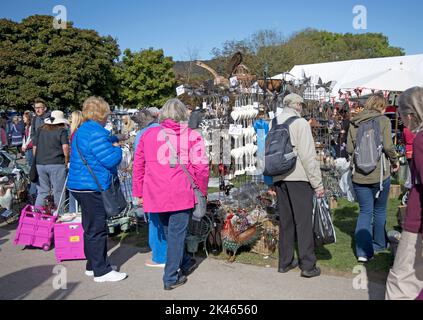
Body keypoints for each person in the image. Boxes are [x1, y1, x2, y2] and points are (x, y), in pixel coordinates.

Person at [133, 98, 209, 290]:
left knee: (169, 232)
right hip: (180, 192)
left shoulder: (148, 135)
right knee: (175, 234)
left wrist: (138, 192)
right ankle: (171, 277)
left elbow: (138, 166)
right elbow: (201, 168)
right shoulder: (191, 135)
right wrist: (202, 190)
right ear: (183, 114)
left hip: (156, 192)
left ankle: (182, 261)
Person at [67, 97, 127, 283]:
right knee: (97, 229)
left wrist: (113, 138)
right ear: (101, 113)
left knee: (90, 227)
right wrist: (118, 148)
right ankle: (102, 271)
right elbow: (111, 159)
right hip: (91, 187)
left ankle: (92, 265)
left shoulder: (83, 130)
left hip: (79, 184)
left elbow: (99, 144)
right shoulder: (96, 132)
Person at [271, 93, 324, 278]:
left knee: (285, 222)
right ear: (298, 105)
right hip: (298, 177)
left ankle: (284, 262)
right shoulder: (300, 123)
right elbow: (308, 156)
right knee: (303, 222)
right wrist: (317, 184)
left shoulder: (275, 122)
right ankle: (308, 265)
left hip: (279, 176)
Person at [347, 94, 399, 263]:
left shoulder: (354, 122)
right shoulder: (383, 120)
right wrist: (395, 161)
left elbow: (348, 148)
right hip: (380, 174)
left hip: (359, 176)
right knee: (380, 210)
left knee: (365, 211)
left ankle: (362, 252)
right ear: (381, 106)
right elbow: (388, 146)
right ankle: (379, 243)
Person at [386, 87, 423, 300]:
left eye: (400, 113)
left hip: (417, 220)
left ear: (410, 114)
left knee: (400, 280)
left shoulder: (420, 140)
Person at [133, 109, 166, 268]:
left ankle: (159, 256)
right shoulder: (164, 130)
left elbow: (138, 164)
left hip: (150, 181)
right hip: (167, 180)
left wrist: (138, 191)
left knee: (155, 220)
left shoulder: (142, 135)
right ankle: (167, 254)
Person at [33, 110, 70, 208]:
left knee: (42, 191)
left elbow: (34, 147)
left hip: (40, 163)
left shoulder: (40, 130)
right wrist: (67, 160)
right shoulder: (61, 130)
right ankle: (59, 214)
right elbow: (65, 147)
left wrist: (35, 160)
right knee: (58, 191)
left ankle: (37, 215)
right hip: (56, 163)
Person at [68, 111, 84, 214]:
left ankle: (73, 212)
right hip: (79, 164)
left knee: (73, 190)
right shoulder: (78, 132)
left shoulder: (74, 132)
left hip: (75, 164)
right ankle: (74, 212)